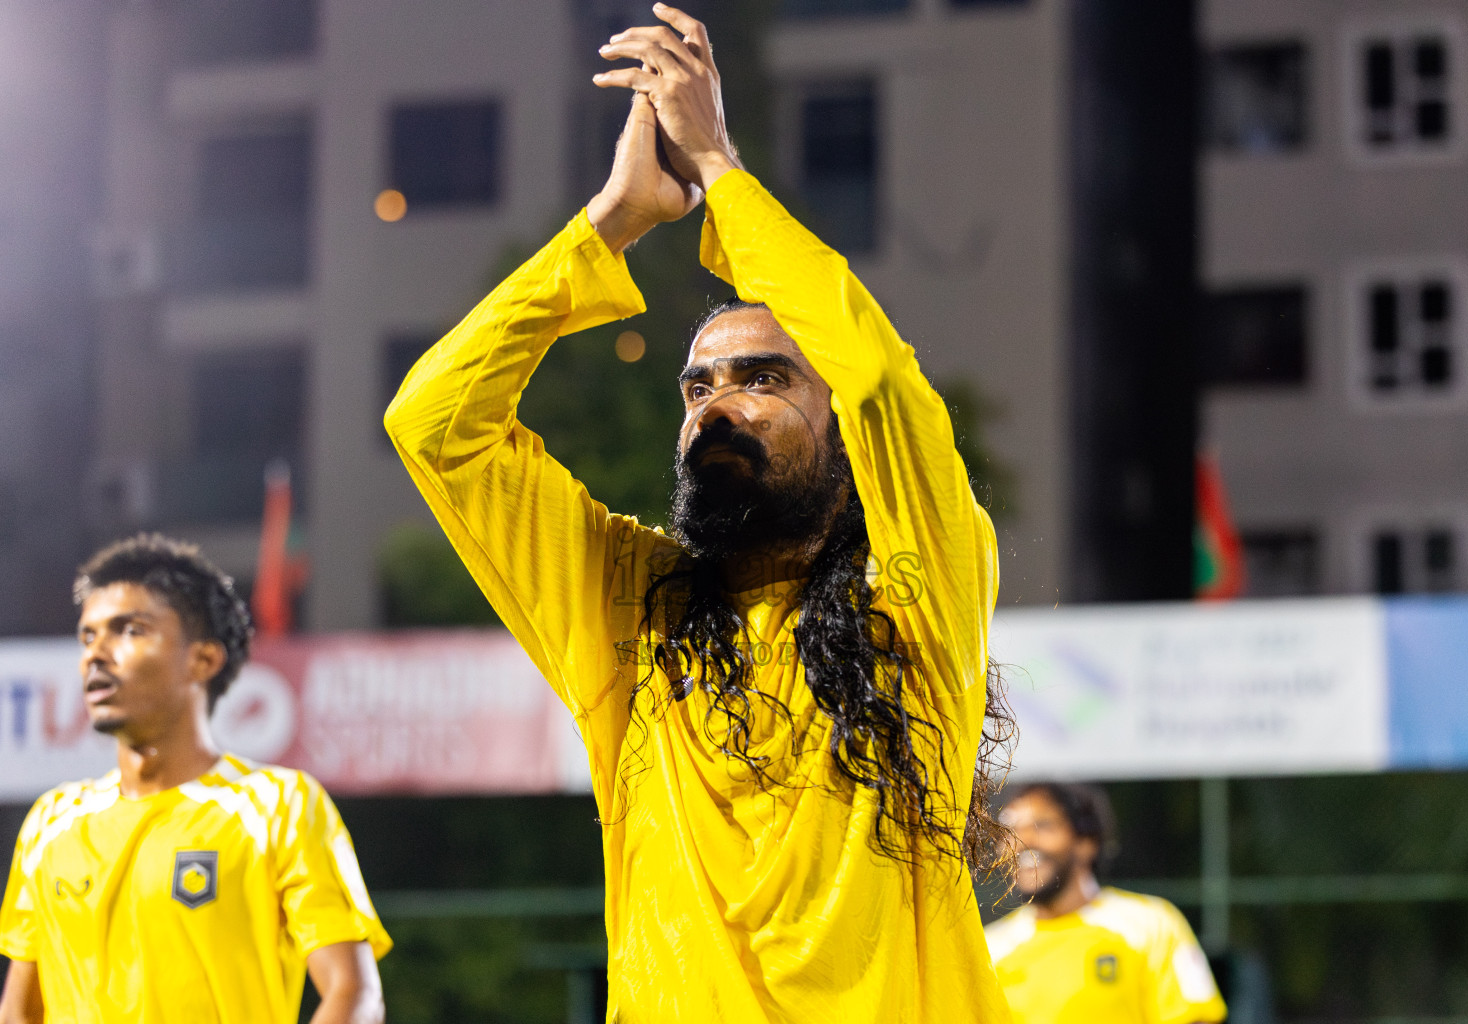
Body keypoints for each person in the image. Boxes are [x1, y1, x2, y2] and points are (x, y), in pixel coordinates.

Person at [384, 4, 1012, 1019]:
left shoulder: (921, 600)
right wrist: (610, 226)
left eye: (762, 377)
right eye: (697, 386)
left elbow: (887, 384)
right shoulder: (631, 623)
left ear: (846, 436)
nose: (716, 402)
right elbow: (433, 424)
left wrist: (719, 167)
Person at [0, 534, 390, 1024]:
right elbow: (19, 1013)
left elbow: (354, 993)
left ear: (202, 659)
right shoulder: (50, 822)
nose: (96, 653)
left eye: (129, 630)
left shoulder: (279, 806)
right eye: (87, 636)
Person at [985, 782, 1227, 1024]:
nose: (1023, 840)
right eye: (1011, 828)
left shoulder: (1151, 924)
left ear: (1086, 843)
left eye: (1043, 825)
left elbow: (1196, 1018)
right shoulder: (990, 948)